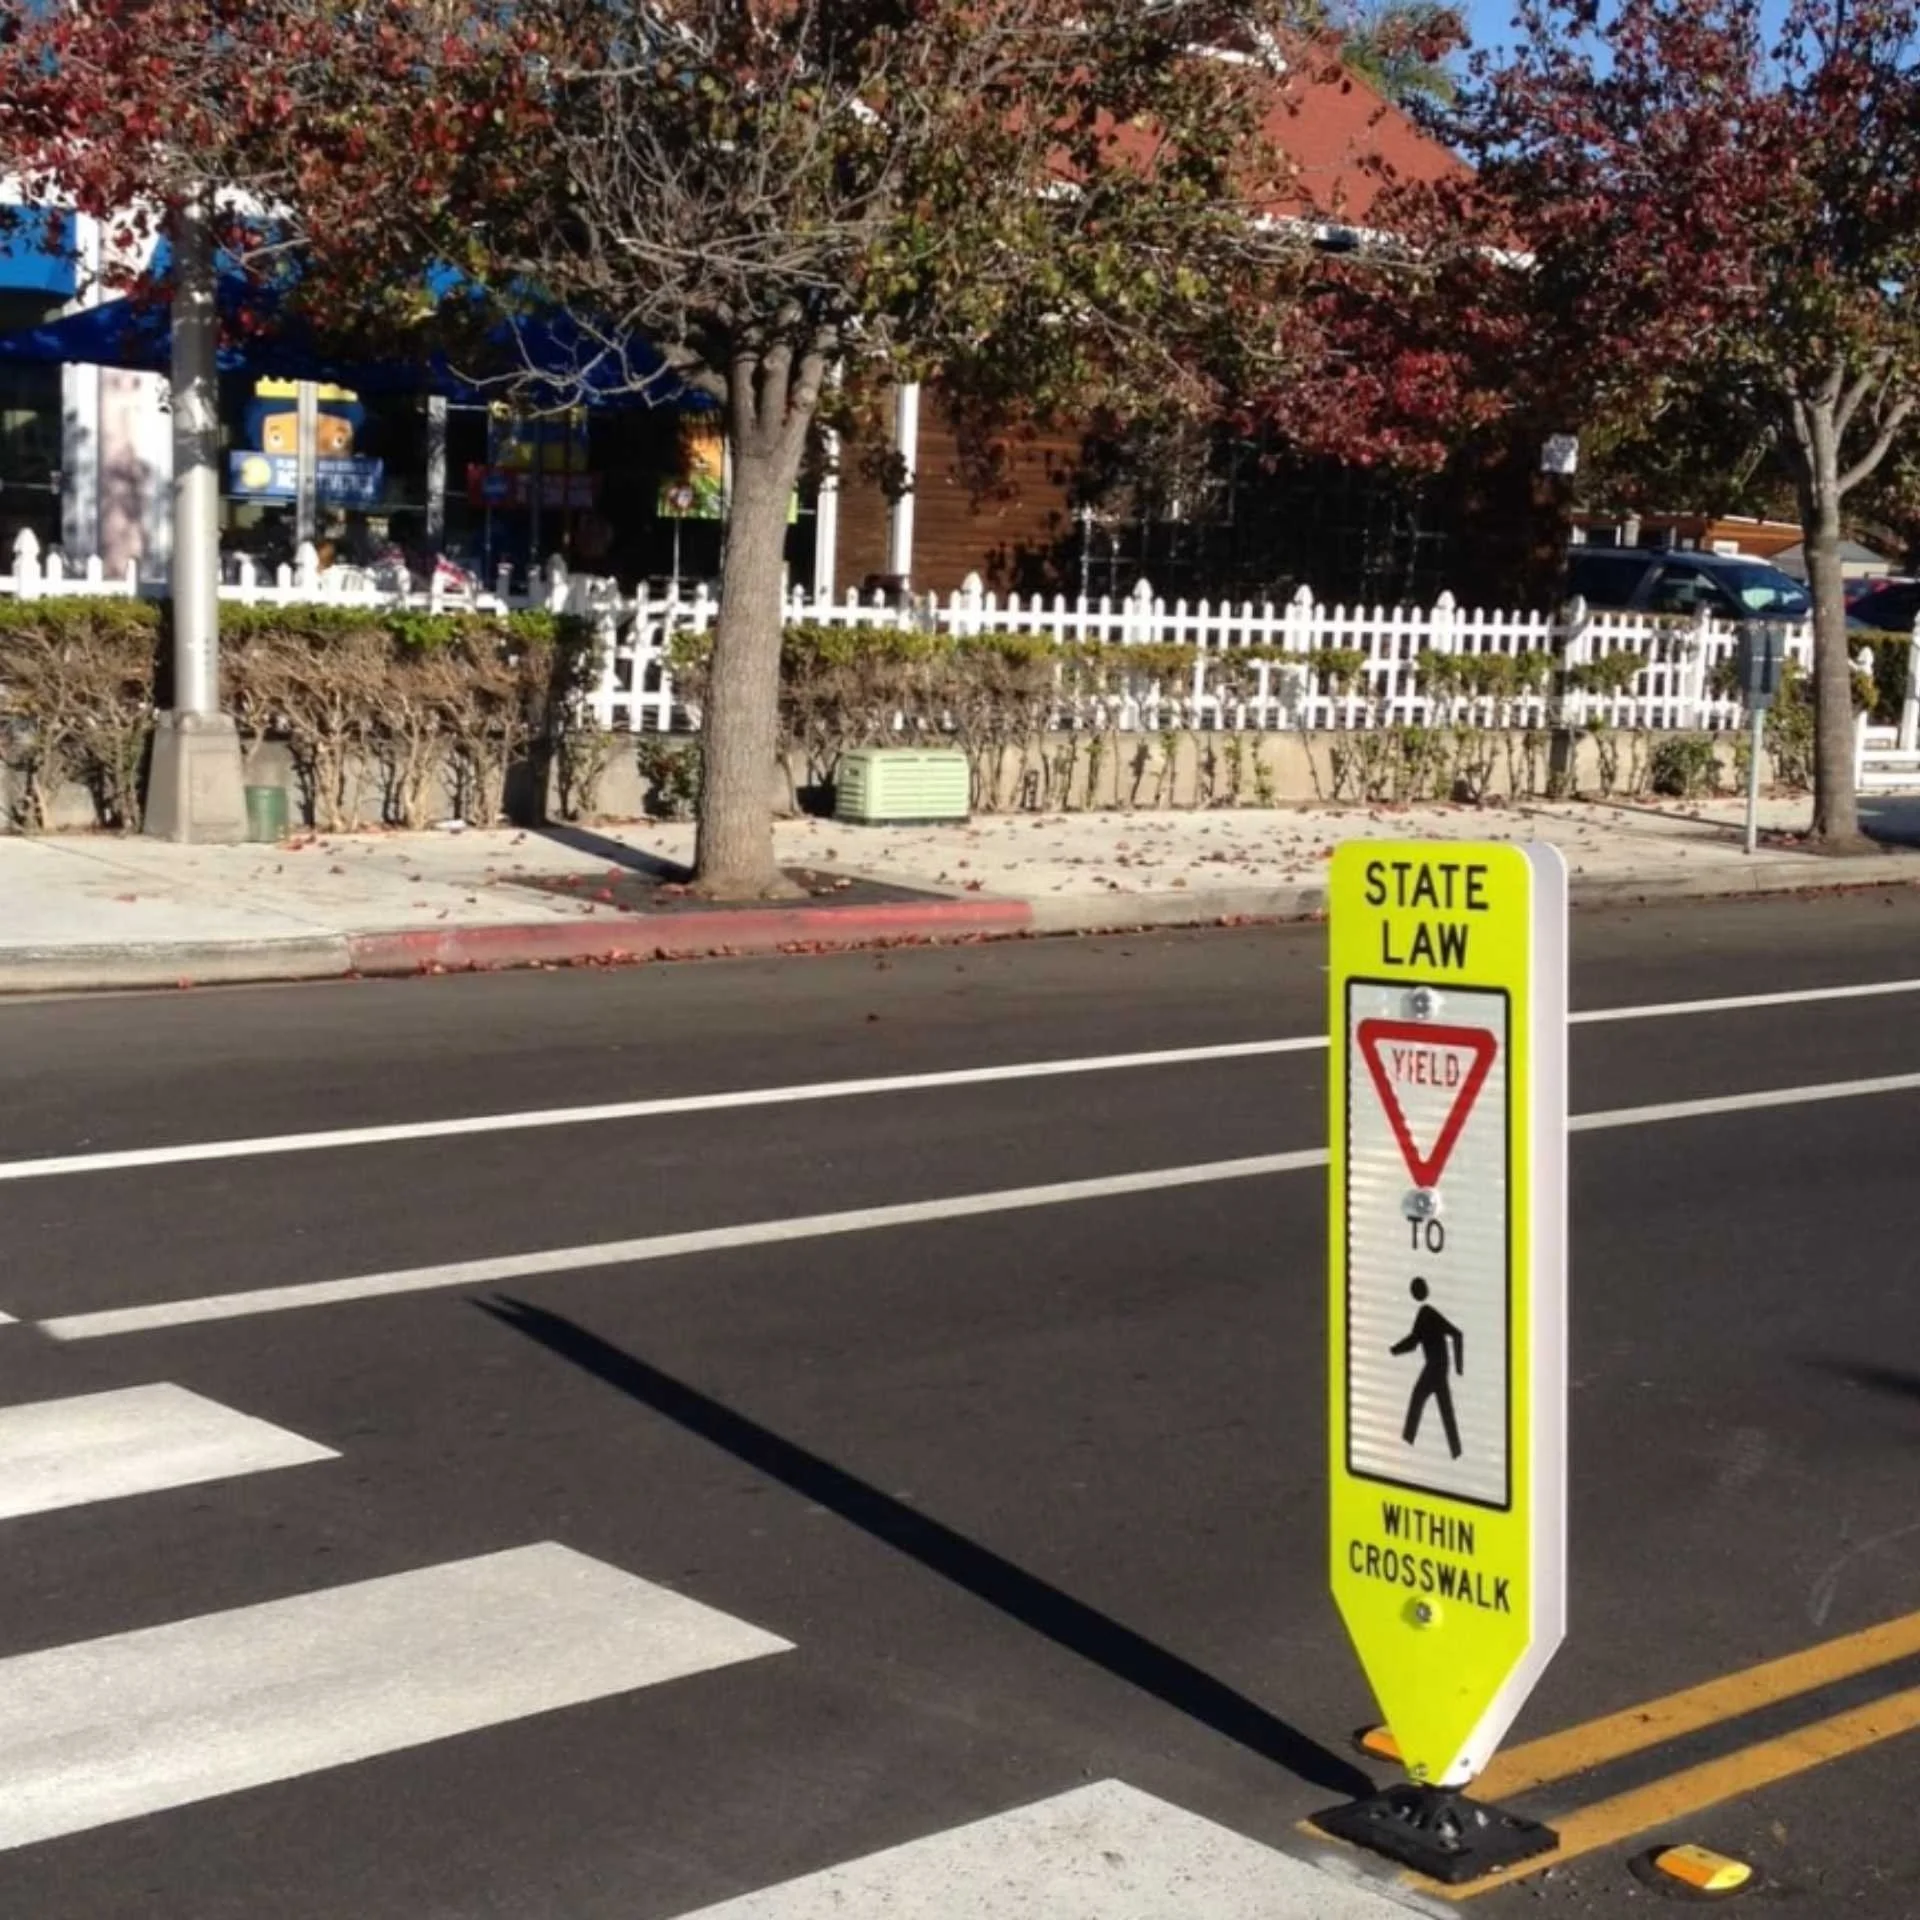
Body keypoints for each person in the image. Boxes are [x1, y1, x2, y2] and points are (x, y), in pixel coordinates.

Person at [1391, 1278, 1464, 1460]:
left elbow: (1456, 1334)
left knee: (1418, 1398)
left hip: (1434, 1367)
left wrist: (1459, 1368)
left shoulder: (1426, 1313)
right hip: (1439, 1367)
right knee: (1444, 1408)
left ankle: (1407, 1442)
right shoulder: (1426, 1313)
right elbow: (1414, 1342)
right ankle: (1456, 1452)